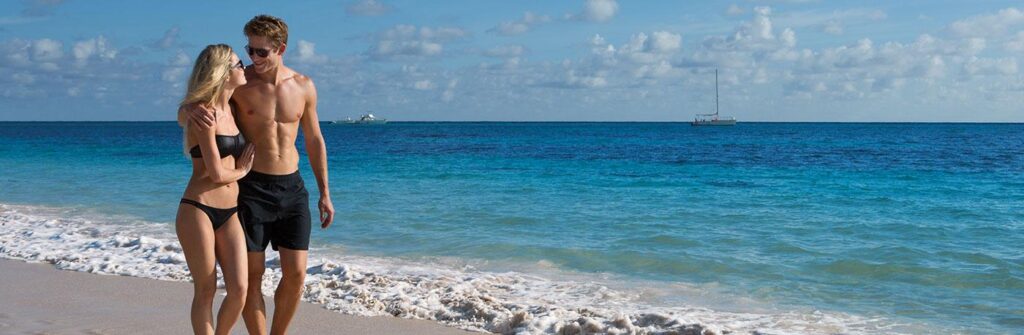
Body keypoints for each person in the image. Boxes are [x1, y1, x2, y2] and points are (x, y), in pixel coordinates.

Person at [187, 15, 334, 335]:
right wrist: (187, 110)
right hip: (251, 188)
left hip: (293, 187)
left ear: (281, 48)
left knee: (296, 274)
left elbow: (314, 139)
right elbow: (200, 102)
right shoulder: (240, 83)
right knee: (251, 278)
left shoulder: (304, 86)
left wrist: (325, 192)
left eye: (261, 52)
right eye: (249, 50)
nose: (253, 58)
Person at [175, 44, 255, 335]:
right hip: (198, 208)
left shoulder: (232, 109)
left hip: (230, 212)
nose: (243, 67)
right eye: (237, 64)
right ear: (222, 73)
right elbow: (218, 173)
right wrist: (243, 170)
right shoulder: (204, 114)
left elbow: (182, 112)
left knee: (240, 290)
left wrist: (184, 108)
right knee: (206, 289)